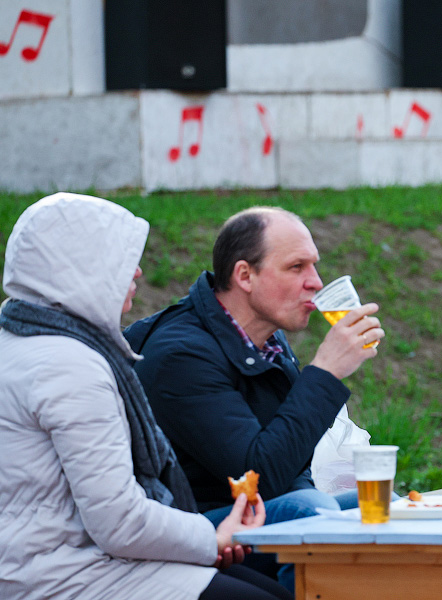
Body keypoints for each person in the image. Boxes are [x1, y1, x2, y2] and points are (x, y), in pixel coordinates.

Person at [0, 193, 291, 600]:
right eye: (119, 258)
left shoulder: (22, 339)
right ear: (77, 267)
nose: (136, 271)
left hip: (42, 562)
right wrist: (212, 537)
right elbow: (119, 522)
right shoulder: (70, 367)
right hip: (62, 575)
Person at [124, 206, 384, 587]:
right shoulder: (181, 355)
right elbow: (260, 478)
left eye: (314, 266)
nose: (315, 282)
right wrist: (325, 372)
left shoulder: (267, 340)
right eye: (297, 268)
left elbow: (291, 466)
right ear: (245, 275)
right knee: (307, 510)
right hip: (194, 526)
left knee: (383, 508)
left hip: (257, 506)